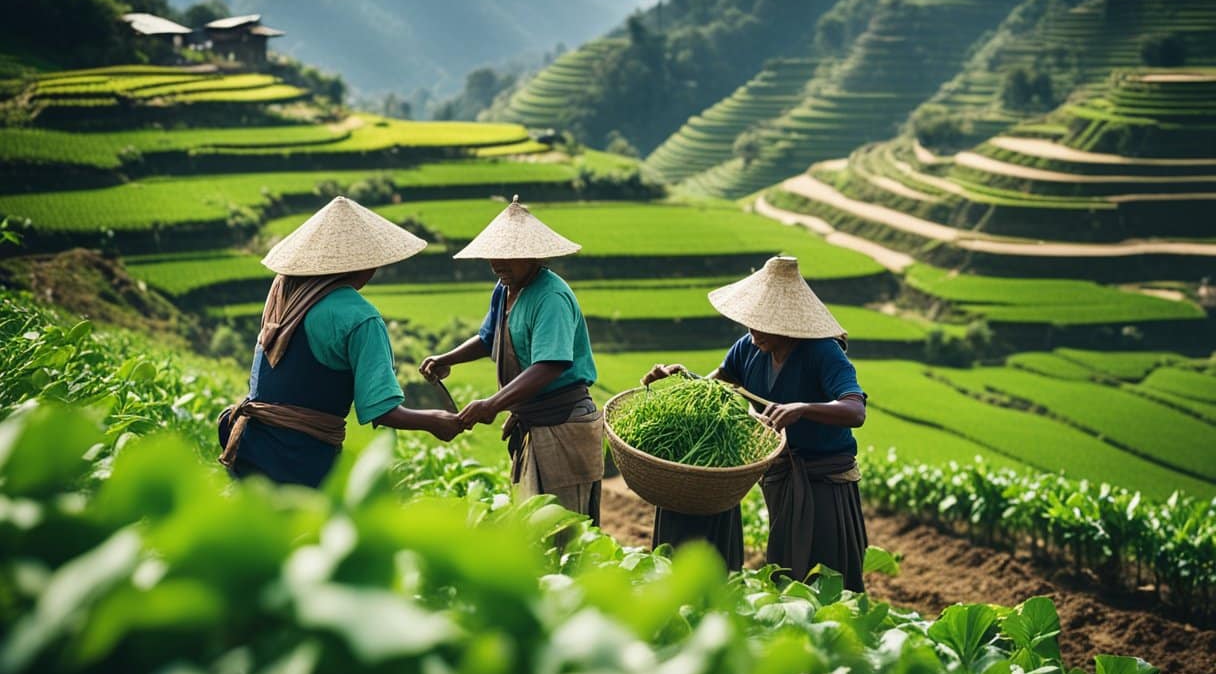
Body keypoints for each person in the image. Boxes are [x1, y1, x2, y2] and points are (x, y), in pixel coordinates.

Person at [641, 256, 868, 589]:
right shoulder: (748, 349)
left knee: (824, 573)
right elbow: (714, 387)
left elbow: (854, 409)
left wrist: (802, 408)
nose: (753, 331)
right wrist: (679, 377)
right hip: (779, 478)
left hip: (823, 484)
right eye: (750, 322)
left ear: (786, 322)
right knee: (784, 570)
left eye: (762, 324)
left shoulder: (823, 353)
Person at [218, 196, 465, 487]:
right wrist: (436, 420)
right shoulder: (360, 318)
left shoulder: (284, 295)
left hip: (251, 449)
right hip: (302, 464)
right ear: (367, 264)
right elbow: (381, 410)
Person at [420, 196, 604, 523]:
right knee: (533, 527)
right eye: (493, 256)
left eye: (507, 257)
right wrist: (447, 358)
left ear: (532, 255)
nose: (497, 264)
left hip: (562, 425)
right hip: (534, 420)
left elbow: (551, 364)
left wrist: (492, 404)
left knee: (564, 530)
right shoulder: (505, 289)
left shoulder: (551, 297)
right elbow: (490, 337)